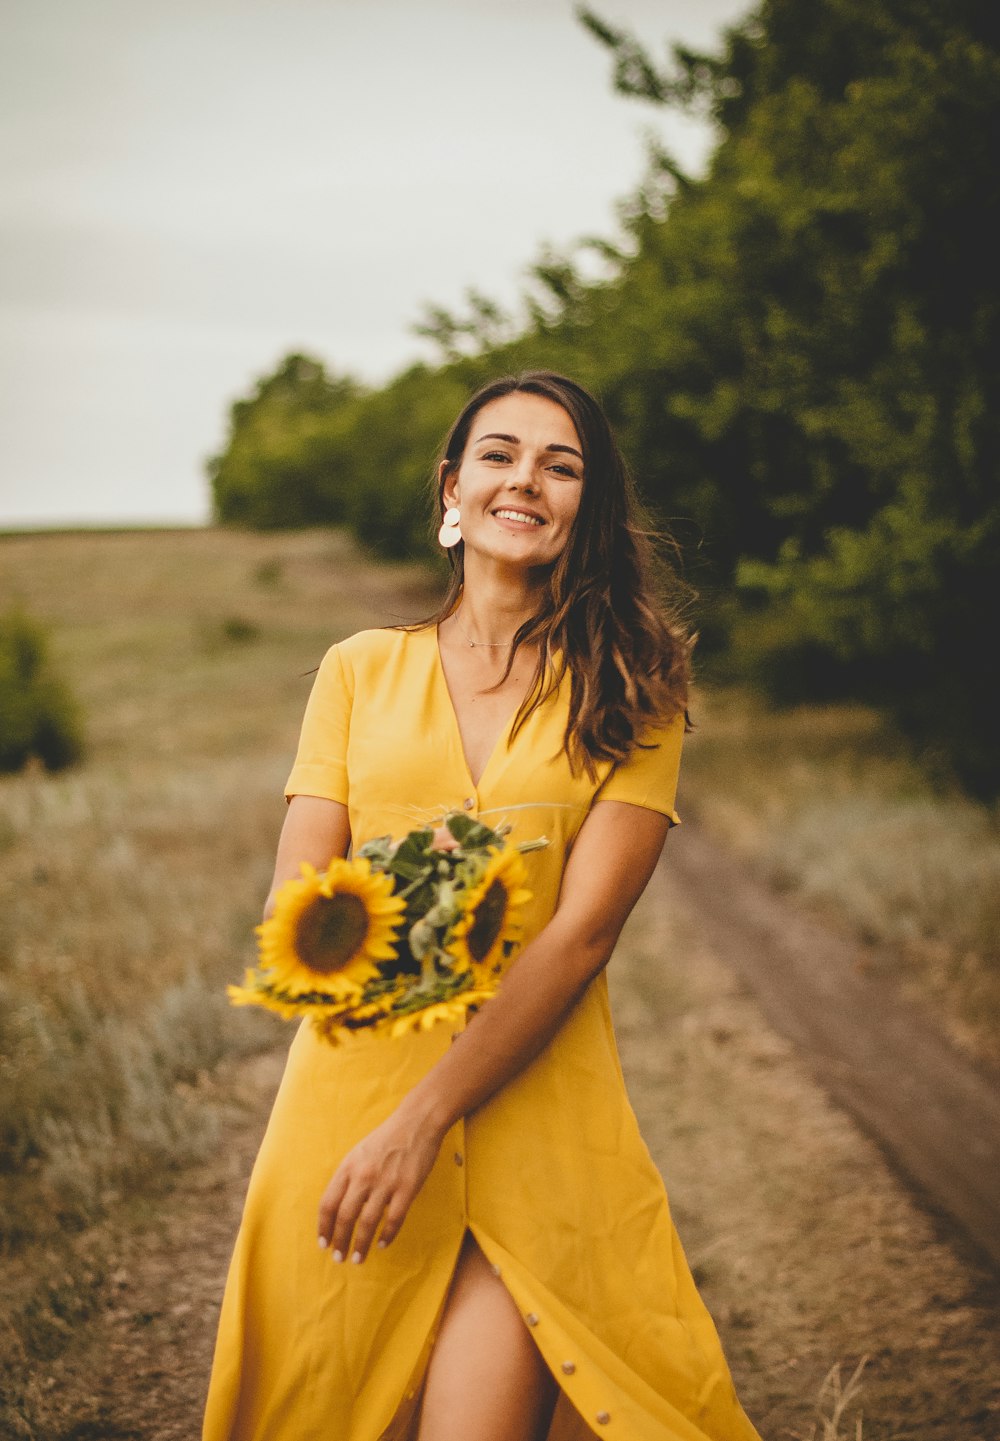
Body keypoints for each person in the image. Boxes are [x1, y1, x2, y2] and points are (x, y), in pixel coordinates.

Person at [203, 371, 761, 1441]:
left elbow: (584, 933)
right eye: (501, 455)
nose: (528, 479)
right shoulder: (358, 670)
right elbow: (297, 894)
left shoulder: (638, 686)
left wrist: (426, 1120)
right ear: (452, 492)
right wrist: (380, 930)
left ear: (586, 509)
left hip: (536, 1125)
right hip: (346, 1117)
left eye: (563, 465)